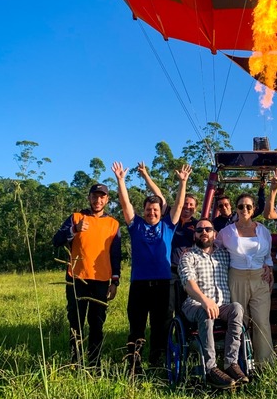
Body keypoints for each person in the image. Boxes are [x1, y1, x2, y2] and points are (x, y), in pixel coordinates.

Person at [112, 161, 191, 376]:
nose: (152, 213)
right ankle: (134, 366)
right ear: (144, 211)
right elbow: (125, 204)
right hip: (139, 285)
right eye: (148, 210)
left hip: (163, 285)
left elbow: (178, 206)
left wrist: (182, 183)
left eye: (155, 210)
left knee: (161, 327)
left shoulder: (168, 225)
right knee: (136, 327)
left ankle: (157, 365)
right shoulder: (136, 225)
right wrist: (121, 180)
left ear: (160, 211)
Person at [52, 183, 121, 368]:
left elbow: (115, 254)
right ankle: (75, 363)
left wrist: (115, 281)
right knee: (76, 323)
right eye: (94, 196)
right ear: (89, 198)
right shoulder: (76, 217)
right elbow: (56, 240)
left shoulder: (113, 224)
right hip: (76, 279)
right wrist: (74, 229)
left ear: (107, 200)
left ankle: (94, 364)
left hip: (101, 280)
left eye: (102, 197)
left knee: (97, 324)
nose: (98, 200)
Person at [179, 218, 249, 388]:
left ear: (214, 234)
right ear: (195, 235)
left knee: (237, 308)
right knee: (206, 311)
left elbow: (245, 261)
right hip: (195, 304)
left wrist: (267, 266)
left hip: (222, 305)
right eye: (199, 230)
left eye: (208, 229)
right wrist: (204, 300)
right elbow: (188, 283)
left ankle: (231, 363)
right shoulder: (188, 256)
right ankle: (210, 368)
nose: (204, 232)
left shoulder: (225, 255)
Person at [216, 192, 274, 363]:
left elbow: (267, 255)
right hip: (237, 277)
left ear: (254, 209)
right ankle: (240, 361)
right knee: (241, 321)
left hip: (260, 278)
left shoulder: (263, 231)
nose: (245, 209)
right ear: (236, 209)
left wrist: (269, 269)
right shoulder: (227, 232)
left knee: (261, 321)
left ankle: (265, 363)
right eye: (241, 206)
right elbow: (215, 248)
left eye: (248, 206)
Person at [169, 193, 199, 315]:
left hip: (188, 271)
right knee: (168, 306)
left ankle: (182, 328)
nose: (188, 206)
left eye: (191, 204)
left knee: (184, 307)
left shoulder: (197, 225)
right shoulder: (172, 220)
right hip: (170, 270)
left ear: (195, 208)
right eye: (185, 203)